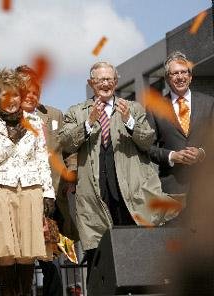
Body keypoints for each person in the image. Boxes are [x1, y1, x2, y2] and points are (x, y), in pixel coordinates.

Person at [59, 61, 174, 281]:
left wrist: (129, 121)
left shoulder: (133, 108)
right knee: (98, 251)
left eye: (109, 79)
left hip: (128, 189)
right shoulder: (76, 112)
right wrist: (89, 123)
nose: (105, 84)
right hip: (94, 191)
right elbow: (65, 142)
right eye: (100, 79)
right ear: (91, 83)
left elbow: (147, 139)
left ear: (116, 81)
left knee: (133, 244)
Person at [0, 68, 55, 296]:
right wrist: (11, 139)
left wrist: (48, 193)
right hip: (0, 190)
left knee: (27, 253)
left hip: (31, 189)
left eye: (16, 95)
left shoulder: (34, 121)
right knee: (4, 253)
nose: (11, 101)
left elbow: (42, 159)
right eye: (5, 95)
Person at [15, 65, 79, 296]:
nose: (31, 93)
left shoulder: (54, 115)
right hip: (20, 197)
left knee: (51, 257)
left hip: (52, 197)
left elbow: (70, 148)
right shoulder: (7, 118)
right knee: (21, 257)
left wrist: (71, 174)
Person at [147, 51, 214, 216]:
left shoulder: (209, 102)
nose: (180, 77)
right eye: (174, 73)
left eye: (184, 72)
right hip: (172, 191)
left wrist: (202, 153)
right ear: (167, 79)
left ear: (190, 76)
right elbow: (147, 146)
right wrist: (171, 156)